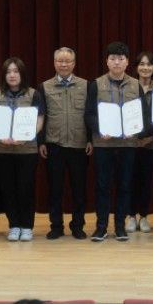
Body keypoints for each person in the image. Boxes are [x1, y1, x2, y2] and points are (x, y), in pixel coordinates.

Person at [85, 41, 149, 242]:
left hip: (127, 145)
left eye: (121, 59)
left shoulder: (135, 85)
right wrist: (100, 129)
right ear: (107, 61)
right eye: (113, 58)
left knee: (124, 186)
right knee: (102, 186)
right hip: (103, 145)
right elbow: (89, 115)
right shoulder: (96, 84)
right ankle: (101, 227)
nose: (117, 62)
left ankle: (120, 227)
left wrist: (135, 131)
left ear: (127, 62)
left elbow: (144, 117)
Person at [38, 47, 91, 240]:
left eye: (68, 61)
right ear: (54, 63)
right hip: (54, 144)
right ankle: (56, 226)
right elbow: (41, 116)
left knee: (79, 189)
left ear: (74, 63)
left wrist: (90, 139)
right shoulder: (45, 87)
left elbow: (90, 114)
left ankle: (78, 225)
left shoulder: (86, 85)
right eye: (60, 61)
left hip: (79, 144)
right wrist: (41, 141)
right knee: (55, 189)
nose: (64, 64)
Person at [0, 57, 45, 242]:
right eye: (8, 72)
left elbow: (40, 120)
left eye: (15, 71)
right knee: (8, 189)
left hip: (27, 151)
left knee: (25, 188)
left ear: (22, 74)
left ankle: (27, 226)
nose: (12, 75)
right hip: (3, 150)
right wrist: (0, 137)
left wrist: (27, 136)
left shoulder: (34, 94)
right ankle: (13, 225)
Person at [126, 51, 153, 234]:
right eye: (142, 64)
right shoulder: (129, 86)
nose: (145, 68)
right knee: (129, 180)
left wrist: (151, 138)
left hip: (151, 144)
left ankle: (144, 216)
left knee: (146, 181)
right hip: (129, 143)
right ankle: (131, 216)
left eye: (149, 64)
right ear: (136, 67)